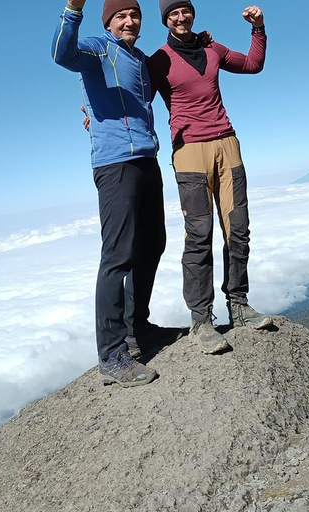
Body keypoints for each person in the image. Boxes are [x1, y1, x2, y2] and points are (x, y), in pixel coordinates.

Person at [52, 0, 166, 386]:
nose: (130, 20)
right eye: (121, 16)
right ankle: (112, 353)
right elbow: (61, 54)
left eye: (135, 15)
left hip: (146, 157)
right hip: (115, 164)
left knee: (152, 244)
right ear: (109, 23)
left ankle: (138, 328)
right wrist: (72, 10)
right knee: (117, 255)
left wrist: (199, 38)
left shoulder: (140, 58)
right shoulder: (98, 49)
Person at [149, 1, 272, 354]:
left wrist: (259, 28)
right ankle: (201, 321)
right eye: (173, 13)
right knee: (199, 235)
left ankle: (239, 304)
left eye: (185, 10)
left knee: (239, 228)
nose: (180, 17)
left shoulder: (212, 48)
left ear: (192, 13)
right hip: (189, 152)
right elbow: (137, 97)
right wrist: (95, 114)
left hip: (226, 144)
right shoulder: (158, 60)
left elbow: (252, 64)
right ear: (165, 20)